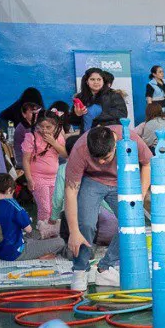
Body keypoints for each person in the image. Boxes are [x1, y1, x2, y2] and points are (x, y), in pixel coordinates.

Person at [66, 125, 153, 291]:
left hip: (122, 180)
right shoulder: (80, 148)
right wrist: (73, 231)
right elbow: (70, 191)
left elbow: (148, 164)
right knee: (86, 224)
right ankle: (79, 270)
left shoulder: (130, 138)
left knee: (132, 223)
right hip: (92, 181)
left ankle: (104, 268)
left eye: (105, 157)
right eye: (96, 158)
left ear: (115, 145)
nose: (100, 162)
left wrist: (140, 196)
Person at [0, 173, 63, 262]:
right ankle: (47, 254)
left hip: (0, 254)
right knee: (60, 242)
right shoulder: (12, 205)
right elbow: (28, 229)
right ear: (9, 190)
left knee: (35, 236)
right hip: (17, 252)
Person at [21, 113, 66, 231]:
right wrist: (29, 179)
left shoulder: (58, 137)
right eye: (41, 126)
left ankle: (53, 231)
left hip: (55, 178)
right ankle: (44, 231)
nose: (44, 130)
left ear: (56, 127)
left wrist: (54, 142)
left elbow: (66, 154)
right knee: (45, 208)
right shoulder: (31, 137)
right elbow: (25, 160)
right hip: (37, 177)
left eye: (48, 127)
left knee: (55, 206)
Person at [73, 68, 127, 133]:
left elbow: (122, 114)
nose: (96, 82)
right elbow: (73, 121)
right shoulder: (80, 97)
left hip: (107, 135)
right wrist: (77, 114)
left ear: (103, 81)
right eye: (92, 79)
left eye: (99, 79)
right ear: (87, 81)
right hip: (85, 136)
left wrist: (102, 125)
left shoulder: (114, 95)